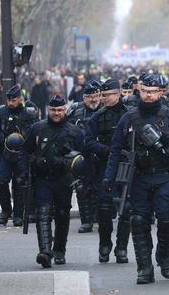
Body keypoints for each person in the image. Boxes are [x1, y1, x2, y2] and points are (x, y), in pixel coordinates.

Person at [104, 75, 169, 284]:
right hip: (140, 178)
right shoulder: (128, 118)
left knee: (166, 219)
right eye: (145, 91)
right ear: (139, 91)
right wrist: (109, 177)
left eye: (153, 91)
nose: (149, 95)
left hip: (164, 176)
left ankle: (163, 257)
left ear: (160, 92)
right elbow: (116, 150)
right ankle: (144, 267)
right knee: (138, 220)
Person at [20, 95, 85, 267]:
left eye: (60, 110)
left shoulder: (75, 132)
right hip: (43, 179)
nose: (56, 113)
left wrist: (81, 177)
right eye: (53, 110)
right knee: (43, 213)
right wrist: (24, 170)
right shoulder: (37, 129)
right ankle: (45, 252)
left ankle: (59, 250)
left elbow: (83, 158)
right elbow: (24, 151)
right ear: (48, 110)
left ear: (65, 110)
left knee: (62, 216)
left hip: (64, 180)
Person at [85, 79, 131, 263]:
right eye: (101, 95)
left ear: (118, 94)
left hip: (126, 165)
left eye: (107, 95)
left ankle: (121, 248)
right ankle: (105, 244)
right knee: (104, 207)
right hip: (105, 165)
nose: (103, 98)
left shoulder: (129, 115)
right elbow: (87, 142)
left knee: (126, 209)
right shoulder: (97, 117)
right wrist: (105, 150)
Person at [0, 85, 40, 226]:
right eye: (9, 100)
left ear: (20, 99)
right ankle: (6, 210)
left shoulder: (28, 113)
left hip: (22, 154)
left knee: (20, 183)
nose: (11, 103)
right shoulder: (0, 113)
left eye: (14, 100)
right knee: (1, 182)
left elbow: (37, 132)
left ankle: (18, 214)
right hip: (6, 154)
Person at [67, 81, 101, 233]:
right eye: (89, 97)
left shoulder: (107, 110)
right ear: (84, 98)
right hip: (81, 157)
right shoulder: (75, 112)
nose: (93, 100)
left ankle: (100, 216)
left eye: (96, 96)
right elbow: (65, 131)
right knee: (82, 188)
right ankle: (86, 221)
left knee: (101, 189)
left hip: (102, 156)